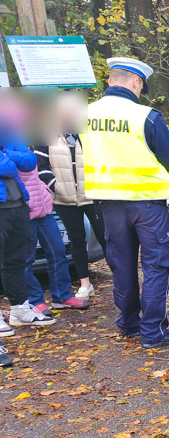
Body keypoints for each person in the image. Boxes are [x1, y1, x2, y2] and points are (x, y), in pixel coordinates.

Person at [82, 57, 169, 349]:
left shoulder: (84, 115)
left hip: (109, 204)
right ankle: (153, 332)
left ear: (110, 80)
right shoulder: (146, 116)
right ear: (135, 82)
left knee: (122, 265)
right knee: (156, 266)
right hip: (148, 204)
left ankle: (129, 324)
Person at [36, 93, 106, 302]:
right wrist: (56, 188)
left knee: (106, 237)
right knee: (76, 240)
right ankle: (85, 283)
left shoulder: (90, 133)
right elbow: (41, 168)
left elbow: (102, 161)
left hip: (92, 197)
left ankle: (120, 278)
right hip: (64, 200)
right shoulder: (45, 135)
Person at [0, 99, 56, 361]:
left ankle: (19, 308)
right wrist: (9, 158)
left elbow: (28, 159)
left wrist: (8, 155)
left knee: (17, 259)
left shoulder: (7, 130)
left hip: (18, 205)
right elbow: (9, 165)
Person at [20, 164, 89, 313]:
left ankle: (61, 296)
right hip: (24, 211)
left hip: (43, 208)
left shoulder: (25, 146)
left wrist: (45, 189)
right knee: (26, 260)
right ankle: (35, 300)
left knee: (58, 251)